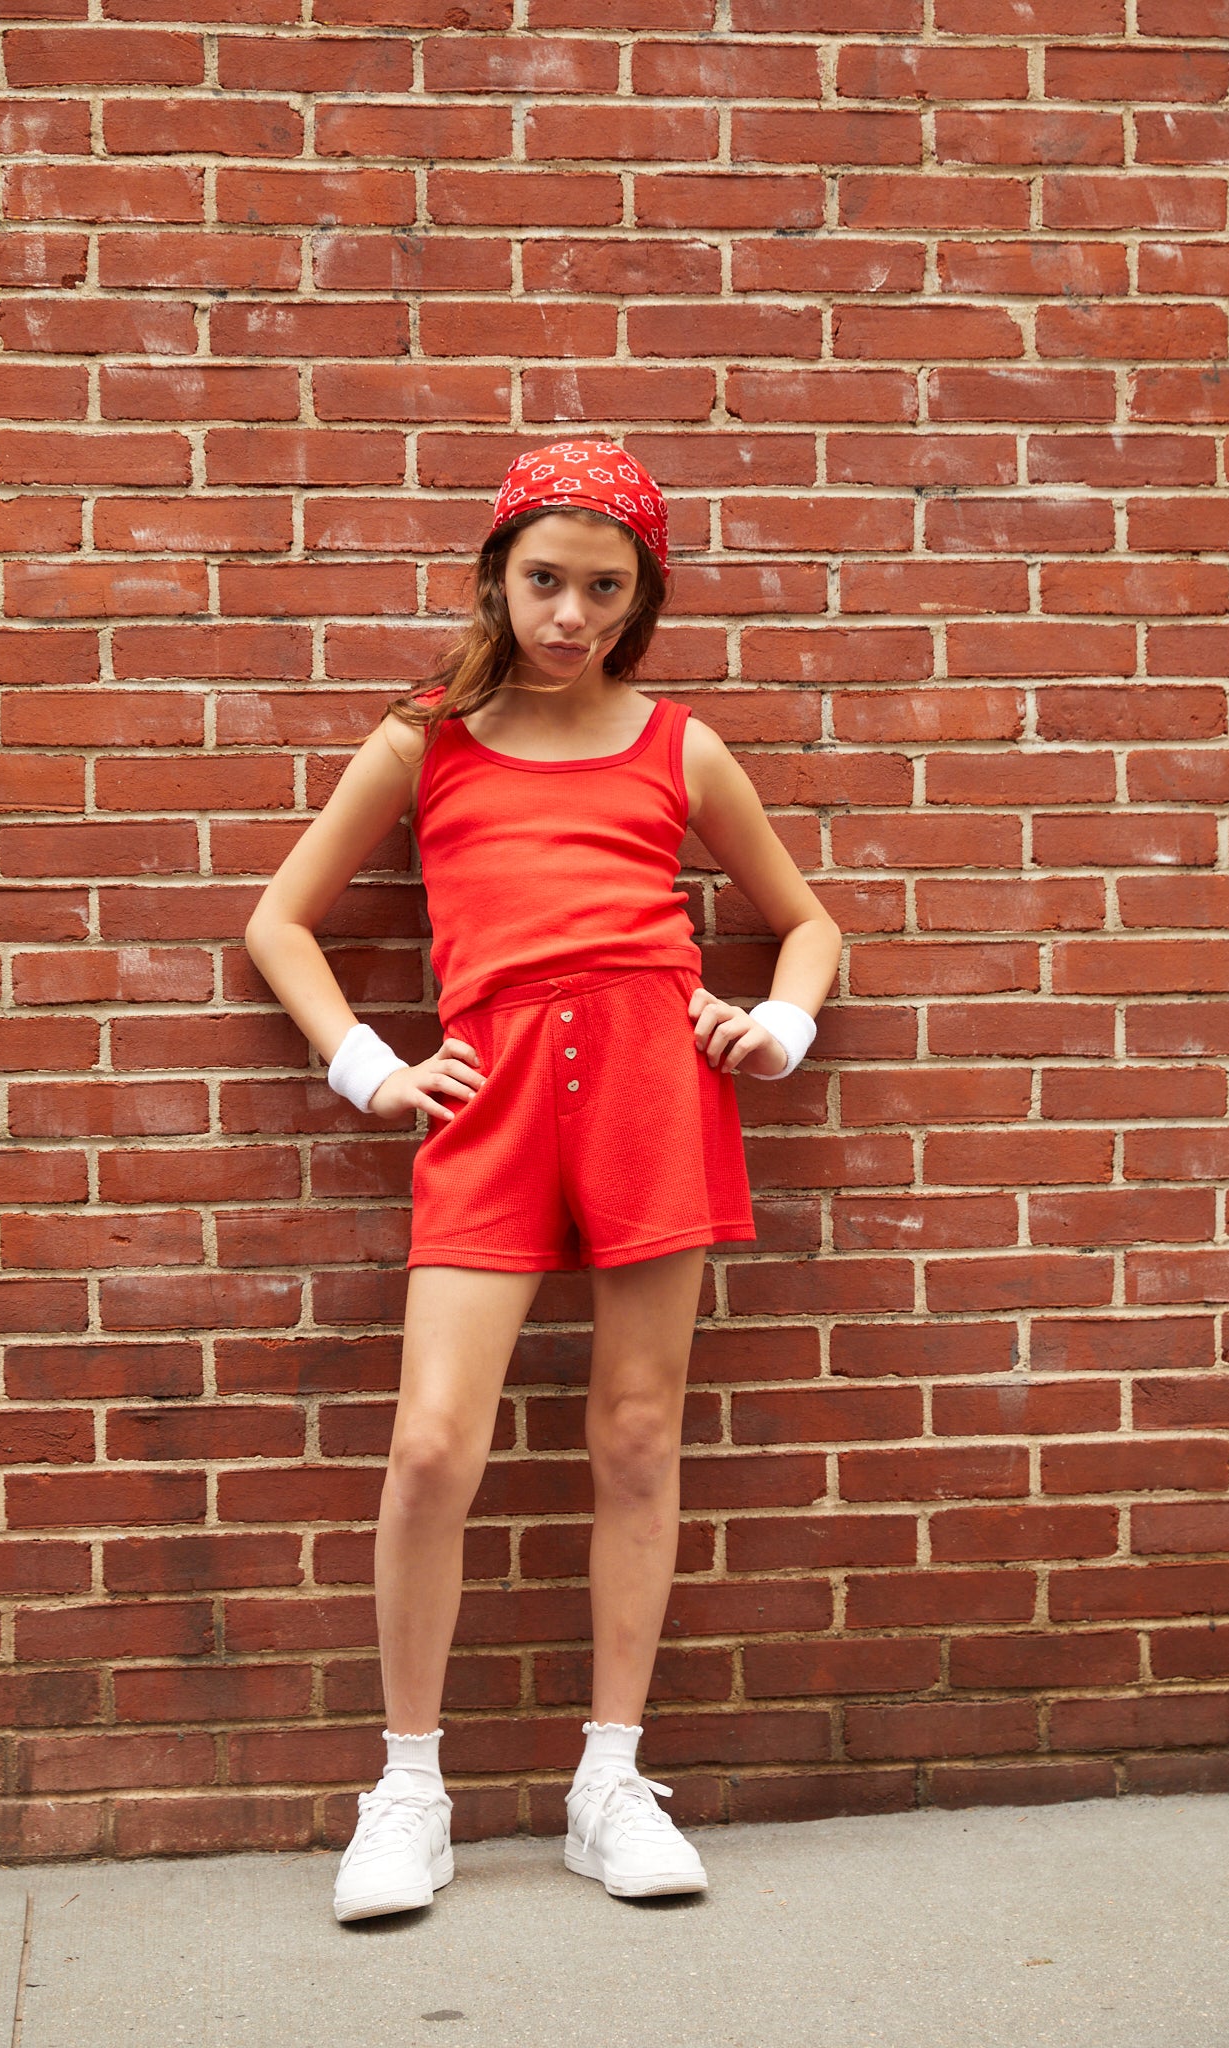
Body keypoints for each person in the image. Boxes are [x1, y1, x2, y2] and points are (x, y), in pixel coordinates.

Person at [244, 439, 843, 1922]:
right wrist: (368, 1067)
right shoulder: (425, 739)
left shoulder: (678, 746)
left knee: (635, 1433)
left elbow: (808, 923)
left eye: (604, 589)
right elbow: (278, 922)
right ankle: (407, 1791)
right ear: (497, 578)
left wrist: (775, 1025)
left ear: (640, 600)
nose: (570, 614)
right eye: (545, 581)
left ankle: (608, 1783)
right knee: (430, 1446)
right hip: (494, 1096)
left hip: (654, 1088)